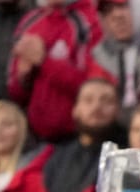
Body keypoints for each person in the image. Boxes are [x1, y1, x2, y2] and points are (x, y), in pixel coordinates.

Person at [8, 0, 99, 145]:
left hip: (78, 136)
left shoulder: (90, 20)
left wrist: (44, 62)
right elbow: (15, 92)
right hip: (36, 138)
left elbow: (93, 88)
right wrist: (24, 76)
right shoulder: (30, 20)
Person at [43, 76, 122, 192]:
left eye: (106, 101)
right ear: (75, 109)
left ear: (118, 110)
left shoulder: (130, 156)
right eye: (88, 100)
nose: (97, 107)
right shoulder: (56, 160)